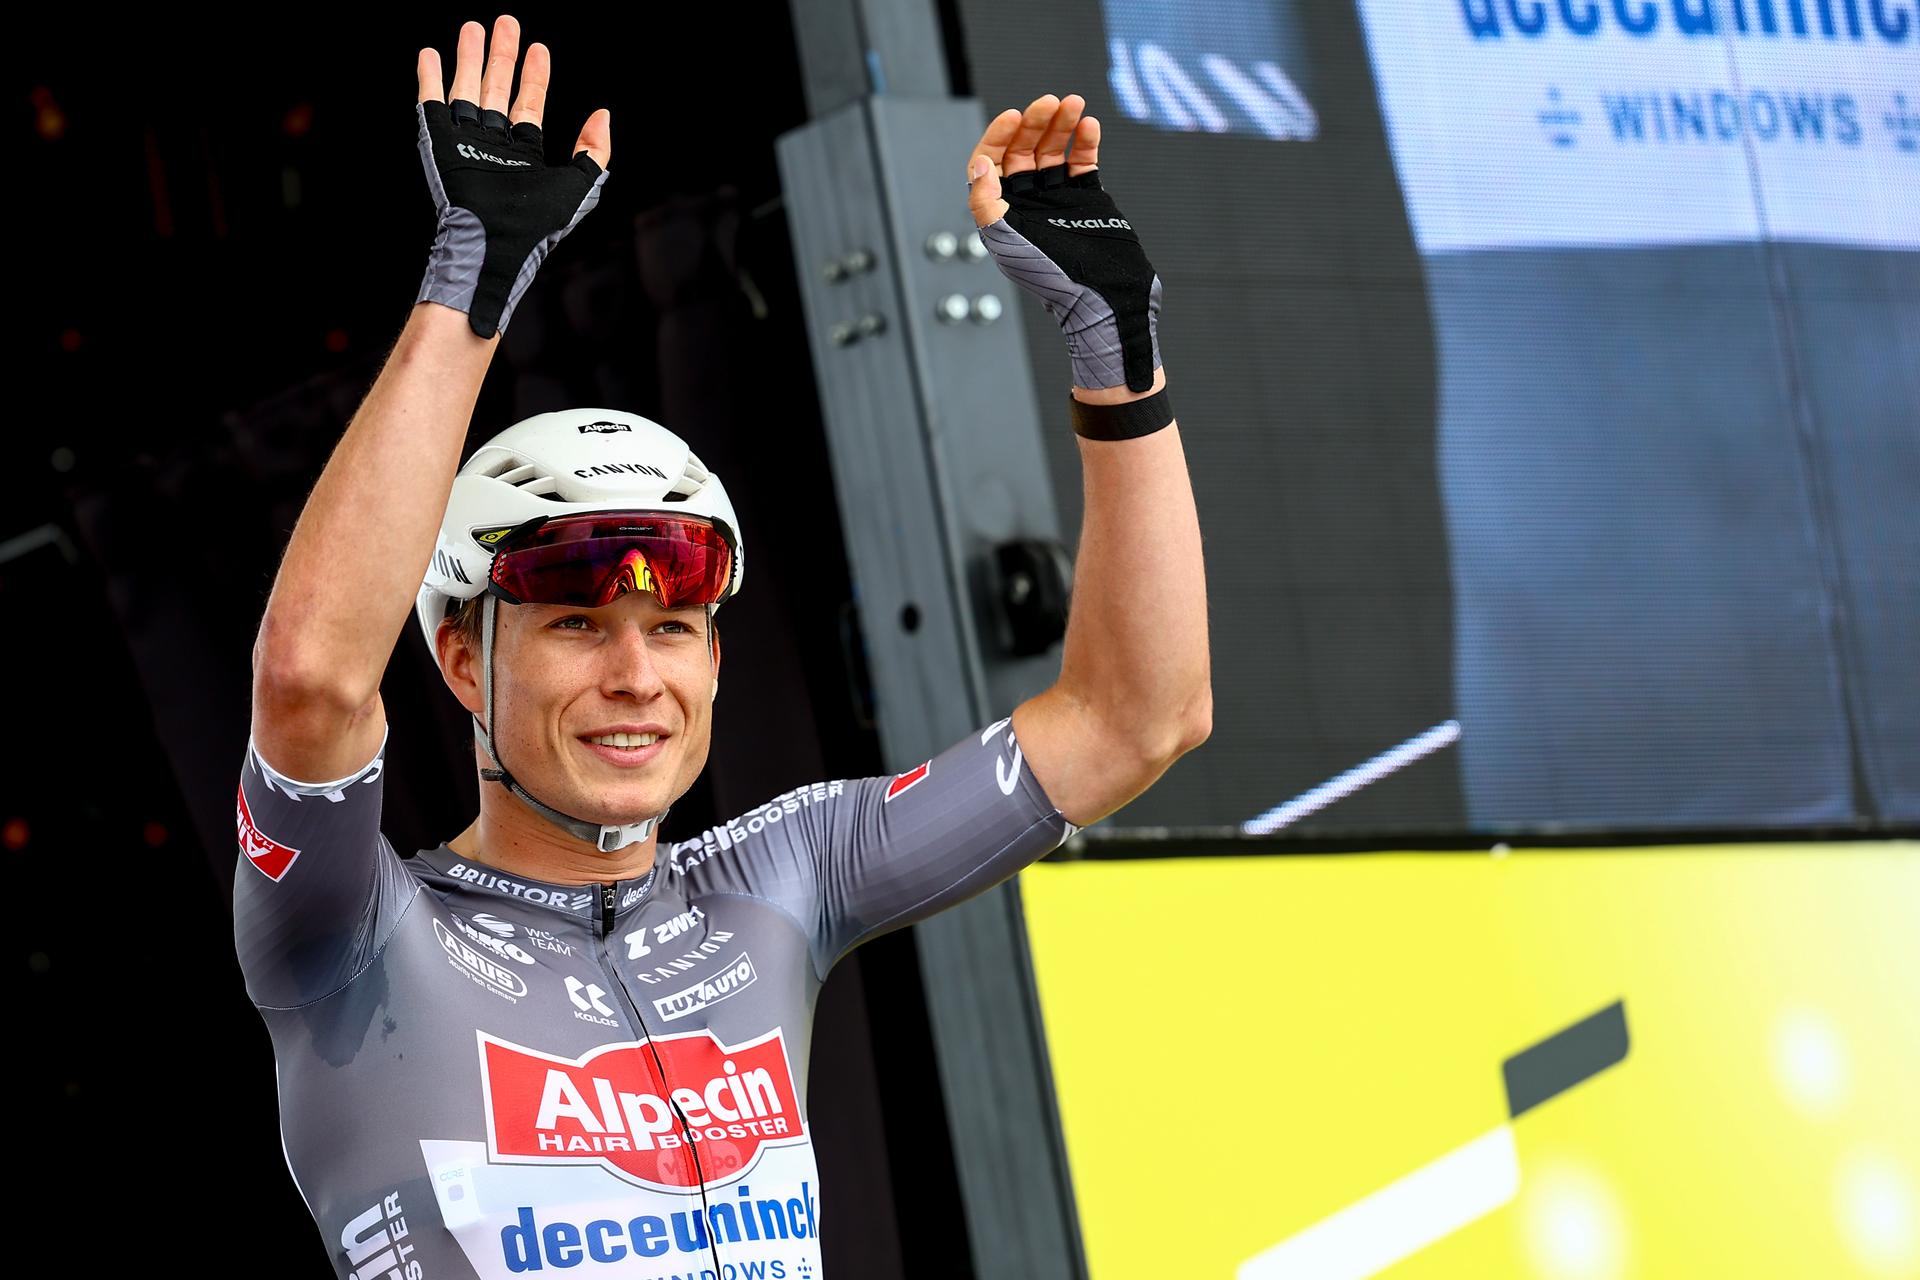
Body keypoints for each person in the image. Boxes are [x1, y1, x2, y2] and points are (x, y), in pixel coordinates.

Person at [233, 14, 1210, 1279]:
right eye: (579, 622)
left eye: (675, 626)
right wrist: (468, 285)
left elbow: (1141, 715)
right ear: (464, 660)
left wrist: (1117, 355)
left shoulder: (779, 877)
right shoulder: (354, 934)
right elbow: (310, 680)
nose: (636, 674)